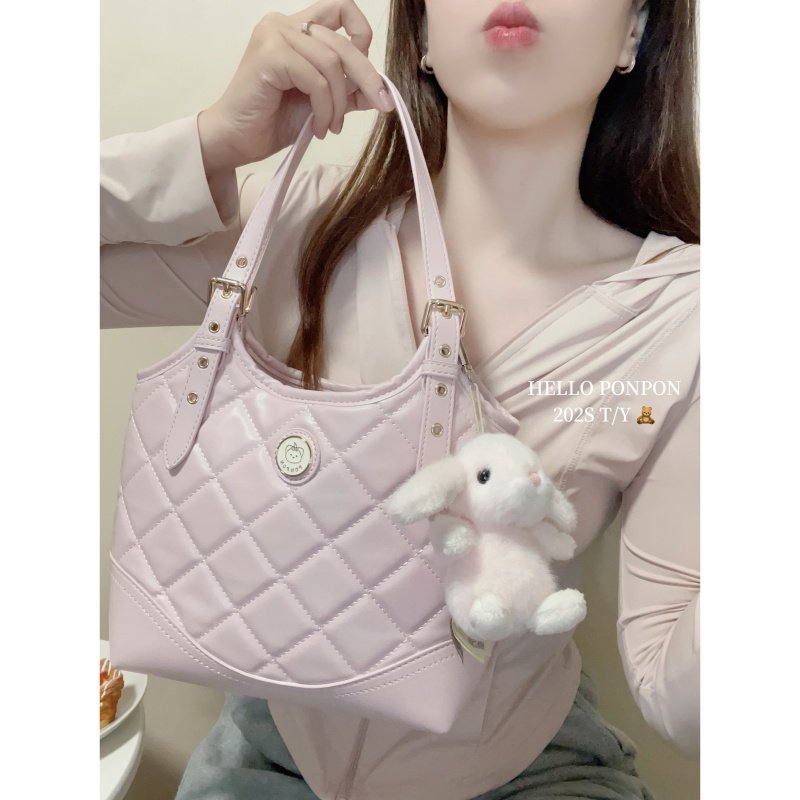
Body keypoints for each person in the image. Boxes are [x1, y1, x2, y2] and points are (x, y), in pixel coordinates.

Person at [100, 1, 700, 798]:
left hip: (525, 770)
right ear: (420, 36)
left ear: (635, 31)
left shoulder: (684, 314)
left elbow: (677, 694)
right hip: (267, 755)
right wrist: (212, 140)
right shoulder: (299, 224)